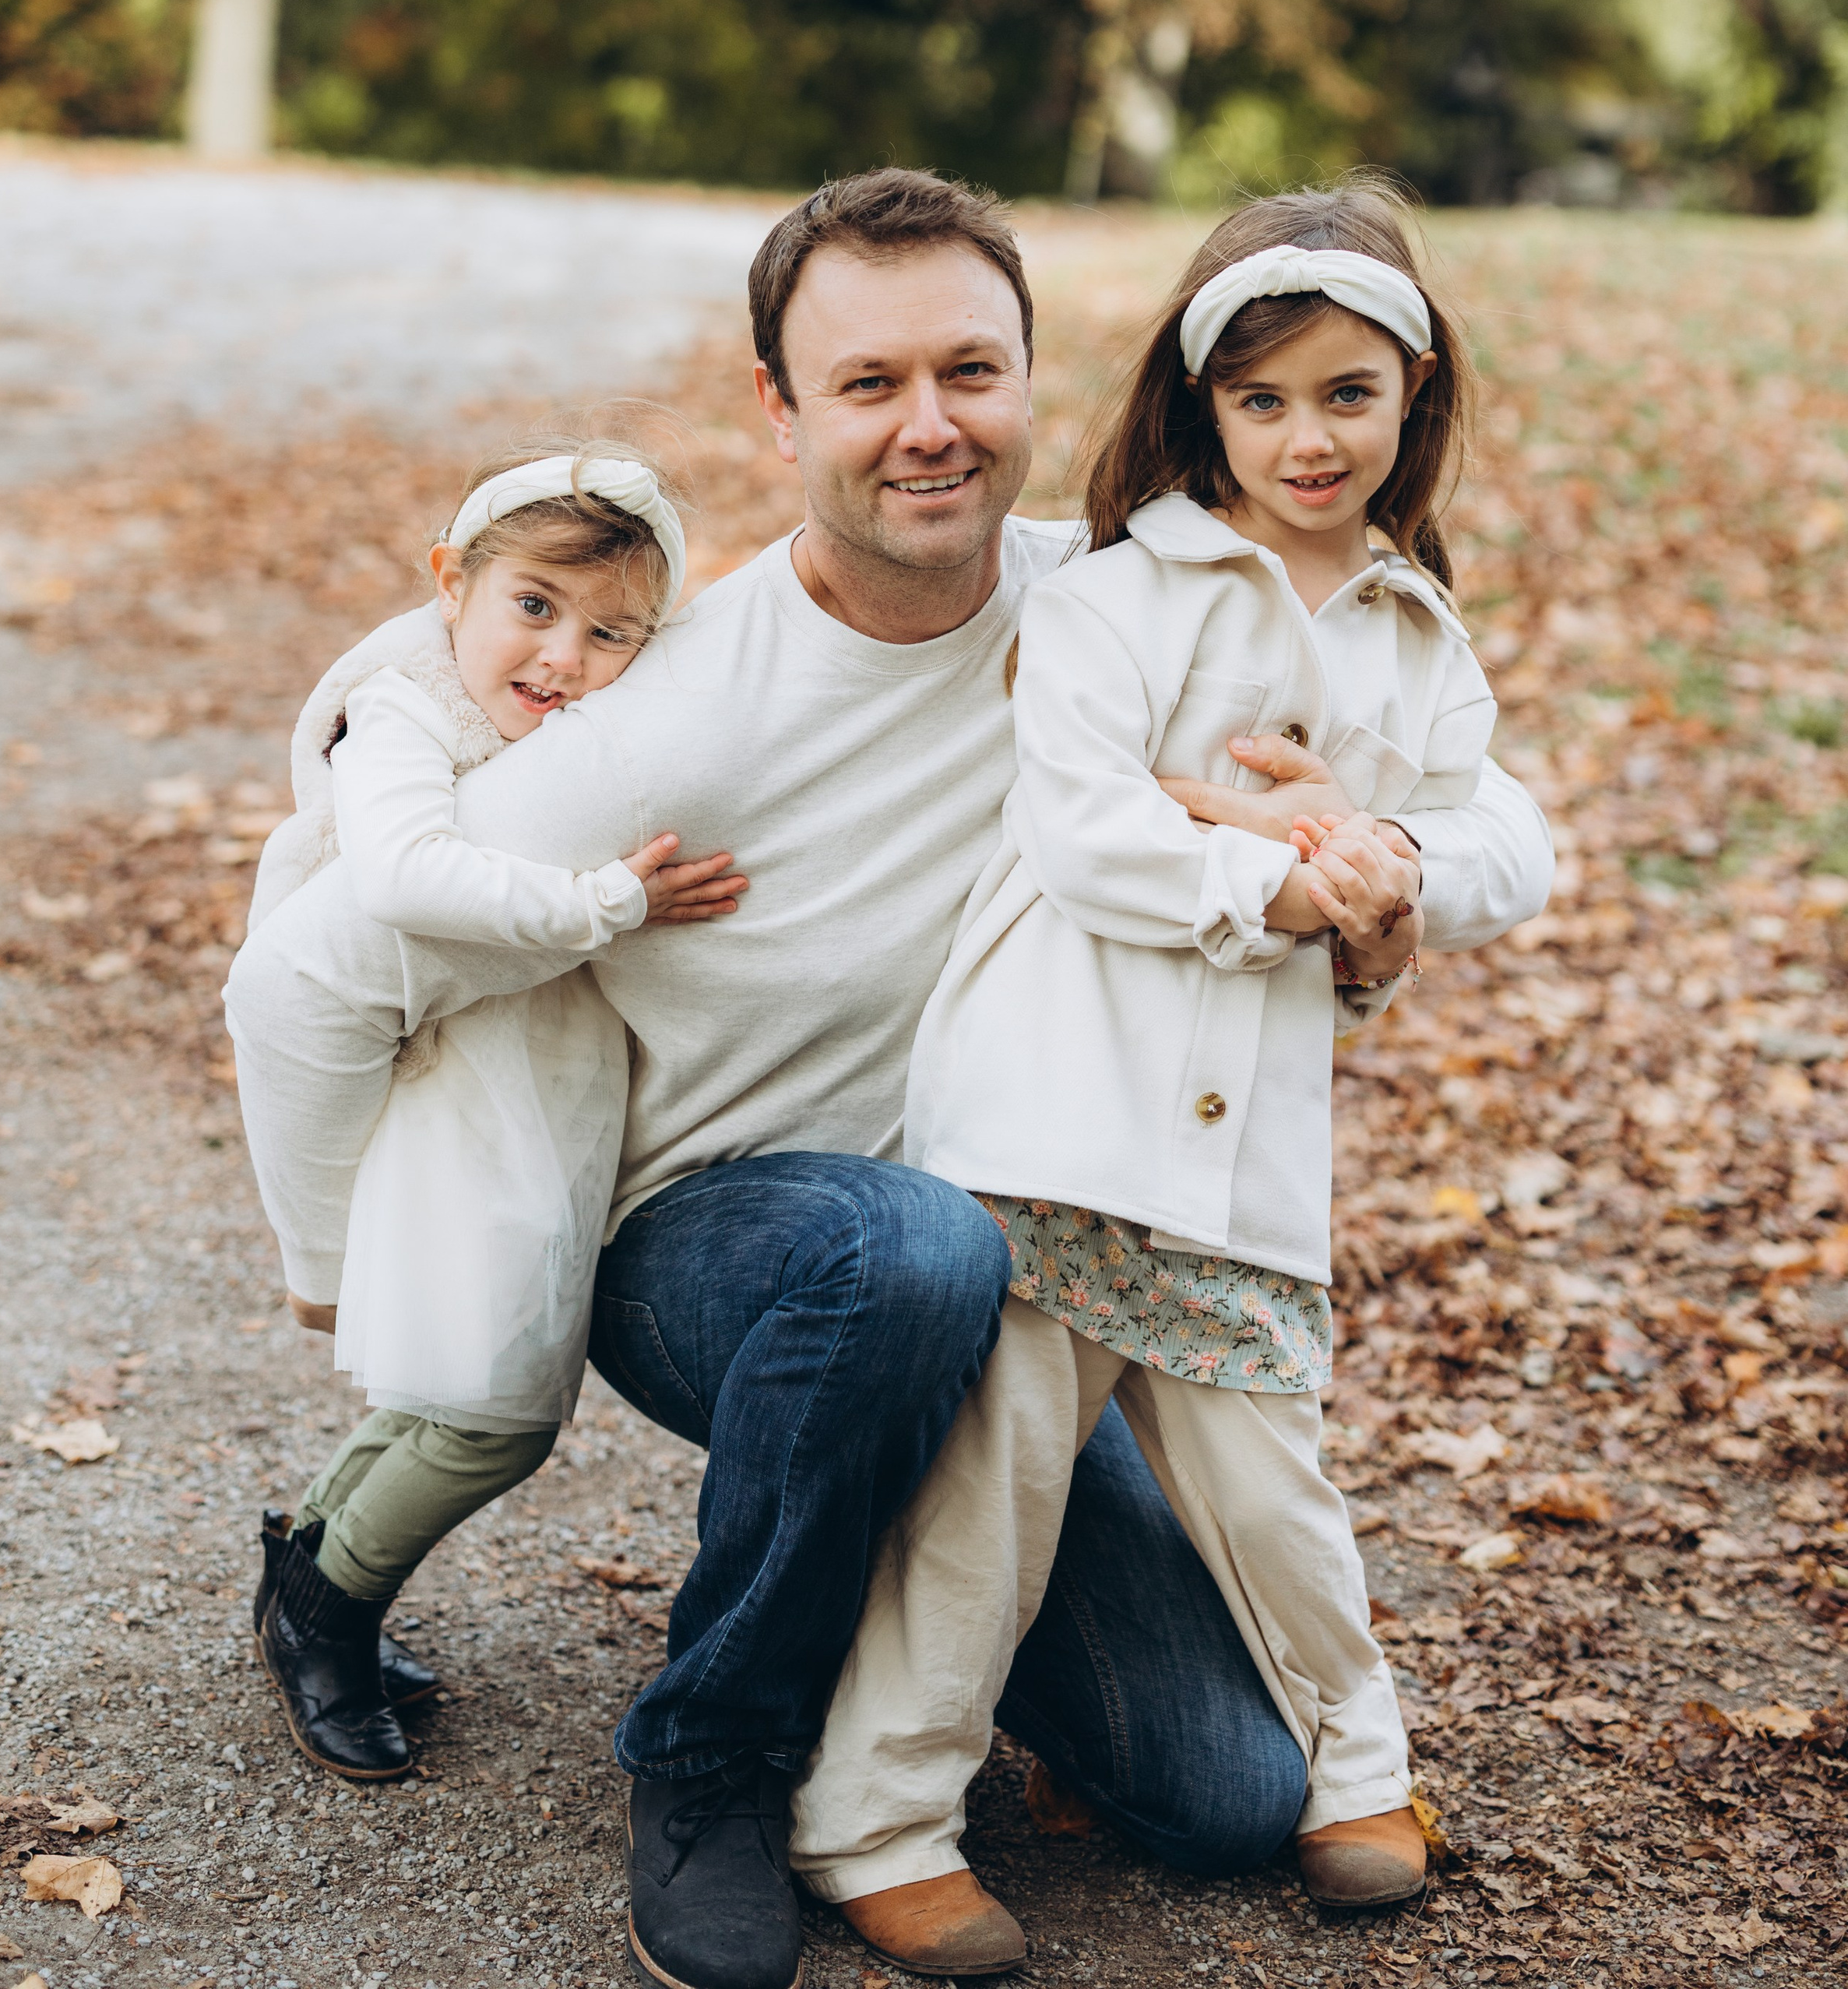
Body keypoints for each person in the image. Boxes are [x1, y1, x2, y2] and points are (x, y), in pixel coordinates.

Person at [224, 167, 1554, 1989]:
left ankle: (916, 1619)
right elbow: (313, 977)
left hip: (1025, 1253)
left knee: (1229, 1792)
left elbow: (1446, 809)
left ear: (1031, 377)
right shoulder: (670, 709)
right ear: (778, 409)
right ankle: (713, 1759)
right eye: (864, 384)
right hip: (727, 1251)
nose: (927, 427)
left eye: (969, 370)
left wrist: (1374, 893)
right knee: (903, 1253)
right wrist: (327, 1261)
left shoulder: (1106, 605)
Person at [788, 184, 1505, 1964]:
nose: (1306, 437)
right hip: (1055, 1109)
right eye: (1260, 401)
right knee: (995, 1487)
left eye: (1346, 394)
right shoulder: (1120, 597)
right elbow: (1090, 832)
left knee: (1272, 1481)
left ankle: (1358, 1774)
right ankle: (871, 1816)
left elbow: (1505, 837)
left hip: (1237, 1155)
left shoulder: (1416, 629)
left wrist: (1390, 865)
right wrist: (1278, 877)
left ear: (1412, 396)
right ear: (1202, 413)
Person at [227, 447, 741, 1783]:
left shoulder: (572, 729)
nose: (564, 655)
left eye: (612, 631)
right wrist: (606, 907)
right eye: (534, 605)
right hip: (456, 1085)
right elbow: (399, 876)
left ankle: (309, 1572)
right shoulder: (404, 714)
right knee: (494, 1409)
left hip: (539, 1084)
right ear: (452, 581)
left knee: (453, 1374)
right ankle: (329, 1612)